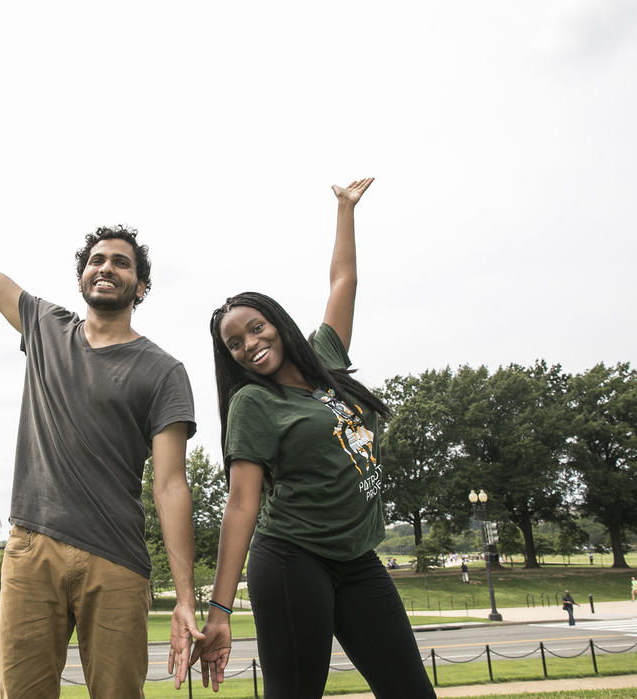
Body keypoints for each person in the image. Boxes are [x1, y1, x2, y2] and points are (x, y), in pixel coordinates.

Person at [0, 206, 201, 696]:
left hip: (115, 558)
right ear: (81, 278)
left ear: (141, 287)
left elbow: (170, 484)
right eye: (96, 260)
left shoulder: (164, 371)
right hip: (31, 550)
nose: (106, 268)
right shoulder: (47, 326)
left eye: (121, 262)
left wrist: (184, 598)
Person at [191, 179, 436, 698]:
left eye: (256, 329)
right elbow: (240, 505)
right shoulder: (254, 403)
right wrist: (220, 608)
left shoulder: (325, 358)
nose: (249, 345)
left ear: (276, 322)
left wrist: (344, 209)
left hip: (358, 558)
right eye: (234, 344)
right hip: (292, 560)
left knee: (411, 691)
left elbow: (343, 280)